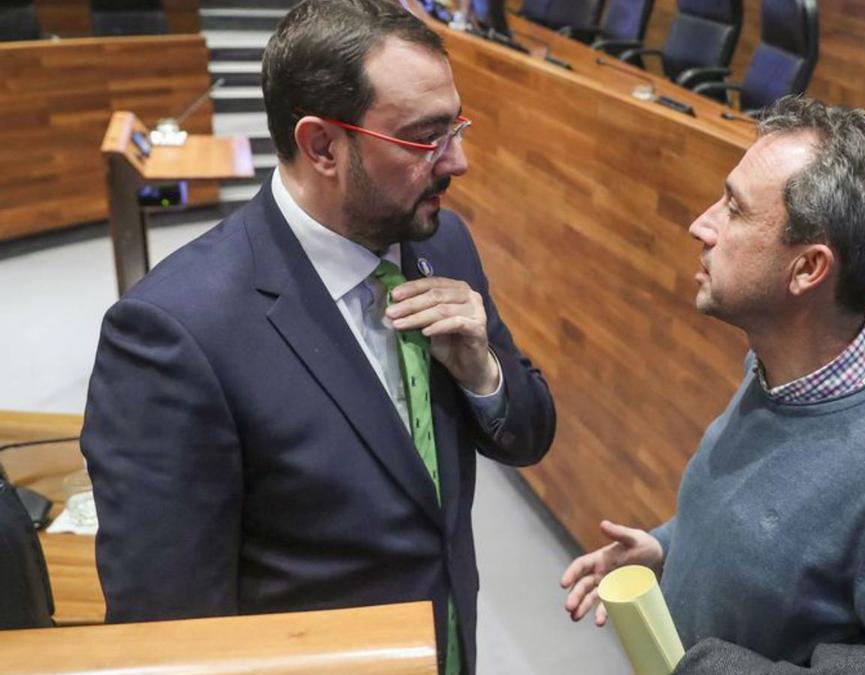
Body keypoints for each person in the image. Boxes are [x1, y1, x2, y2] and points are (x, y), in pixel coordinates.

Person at [80, 2, 555, 674]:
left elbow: (530, 434)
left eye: (458, 127)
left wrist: (483, 373)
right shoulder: (174, 333)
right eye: (427, 137)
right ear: (322, 146)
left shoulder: (442, 241)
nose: (461, 161)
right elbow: (169, 635)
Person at [561, 95, 865, 674]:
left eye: (734, 209)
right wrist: (671, 550)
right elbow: (772, 522)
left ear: (807, 270)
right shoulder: (782, 363)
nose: (701, 225)